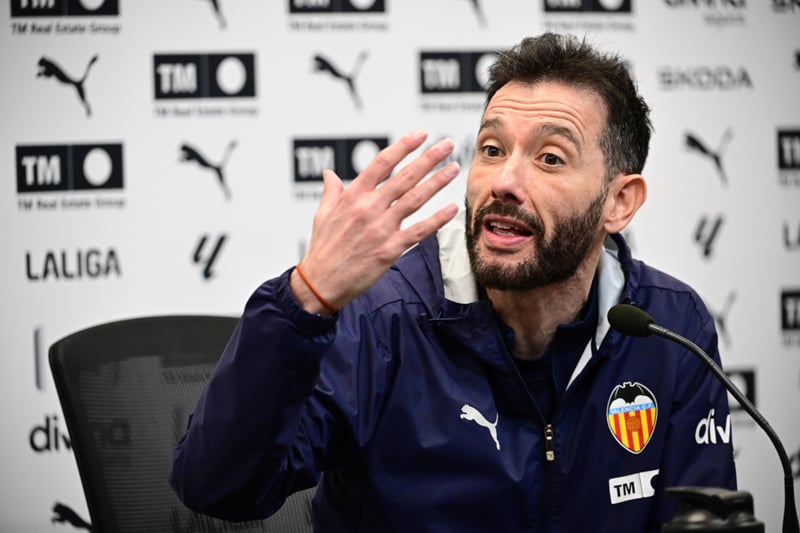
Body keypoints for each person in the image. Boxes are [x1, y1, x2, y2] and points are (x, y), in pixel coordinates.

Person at [170, 32, 736, 532]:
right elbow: (217, 489)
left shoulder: (670, 326)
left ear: (620, 202)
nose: (504, 180)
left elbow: (706, 520)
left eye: (550, 158)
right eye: (491, 149)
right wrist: (305, 299)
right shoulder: (381, 318)